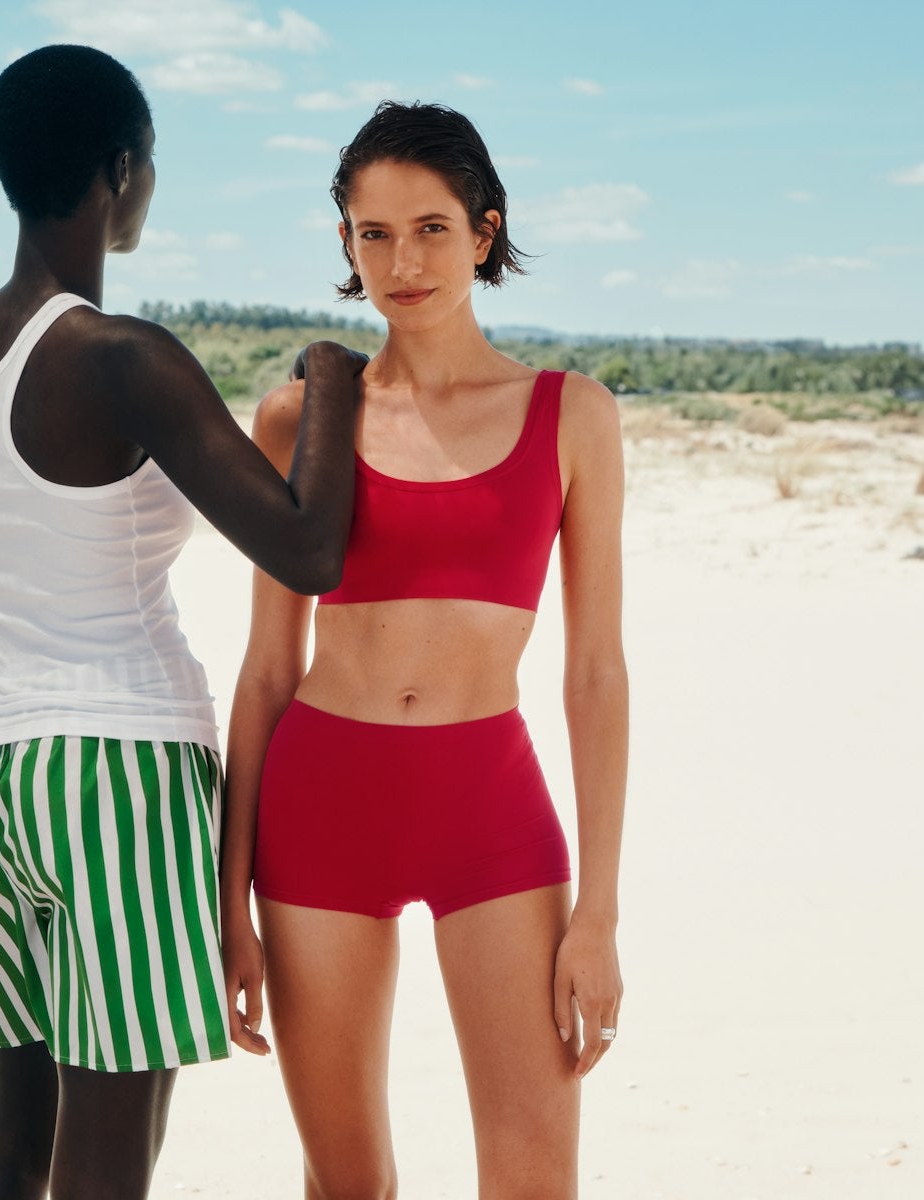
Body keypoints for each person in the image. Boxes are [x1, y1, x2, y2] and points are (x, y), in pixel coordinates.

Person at [0, 45, 366, 1200]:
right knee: (111, 1151)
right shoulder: (122, 358)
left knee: (18, 1130)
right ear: (119, 172)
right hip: (125, 775)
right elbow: (309, 548)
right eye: (151, 163)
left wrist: (15, 747)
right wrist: (334, 379)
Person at [219, 102, 628, 1199]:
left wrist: (599, 911)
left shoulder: (572, 416)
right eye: (375, 234)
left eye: (432, 229)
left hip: (490, 813)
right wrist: (228, 897)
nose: (403, 263)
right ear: (347, 244)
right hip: (319, 810)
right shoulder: (301, 420)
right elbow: (267, 670)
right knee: (347, 1184)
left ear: (486, 231)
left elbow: (596, 672)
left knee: (534, 1177)